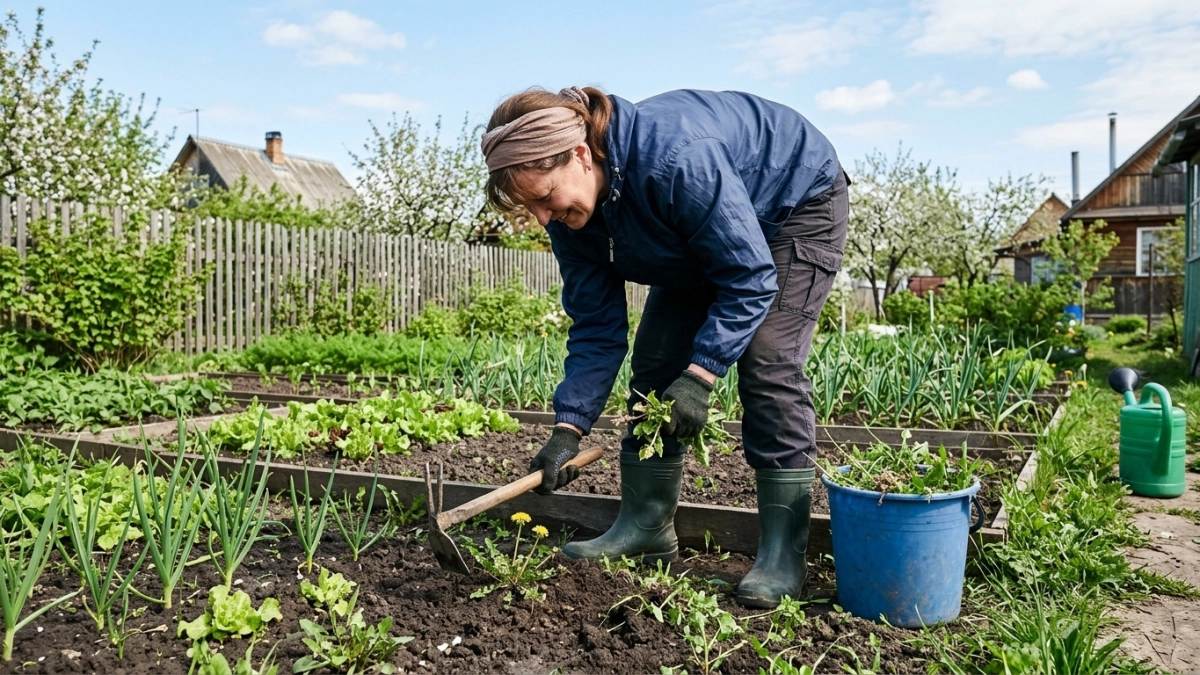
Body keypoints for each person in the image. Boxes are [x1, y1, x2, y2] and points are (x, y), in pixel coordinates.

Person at [481, 86, 848, 609]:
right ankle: (645, 528)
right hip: (696, 233)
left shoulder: (676, 159)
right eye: (530, 206)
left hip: (793, 203)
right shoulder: (573, 217)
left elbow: (748, 277)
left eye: (545, 198)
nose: (543, 217)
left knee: (768, 364)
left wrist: (701, 377)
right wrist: (568, 429)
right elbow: (596, 326)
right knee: (655, 363)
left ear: (581, 155)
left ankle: (782, 555)